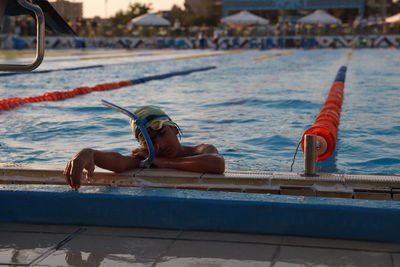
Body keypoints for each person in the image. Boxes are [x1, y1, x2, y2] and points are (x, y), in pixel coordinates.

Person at [64, 106, 225, 190]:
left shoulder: (201, 150)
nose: (159, 145)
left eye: (162, 133)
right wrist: (88, 153)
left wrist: (164, 162)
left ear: (174, 129)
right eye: (150, 142)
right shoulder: (148, 158)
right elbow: (120, 162)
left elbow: (217, 164)